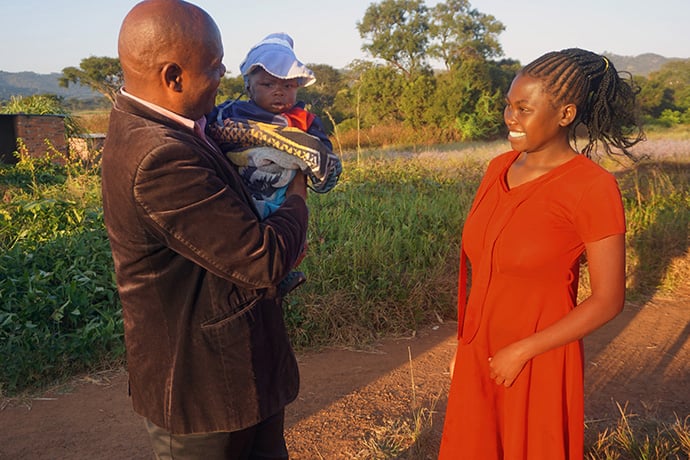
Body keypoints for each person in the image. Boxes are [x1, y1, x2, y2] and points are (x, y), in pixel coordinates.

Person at [100, 1, 308, 459]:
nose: (221, 80)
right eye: (213, 68)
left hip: (234, 374)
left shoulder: (167, 128)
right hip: (203, 390)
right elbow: (264, 258)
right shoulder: (158, 156)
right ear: (174, 77)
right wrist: (298, 184)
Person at [439, 48, 645, 459]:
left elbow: (609, 300)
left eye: (524, 108)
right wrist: (466, 348)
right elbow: (484, 271)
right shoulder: (497, 168)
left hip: (540, 356)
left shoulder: (592, 187)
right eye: (509, 105)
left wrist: (523, 351)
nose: (510, 118)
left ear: (566, 114)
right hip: (480, 350)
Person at [207, 32, 342, 295]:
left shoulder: (303, 120)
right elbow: (210, 129)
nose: (279, 91)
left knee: (284, 232)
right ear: (248, 86)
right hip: (242, 187)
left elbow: (323, 156)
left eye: (289, 86)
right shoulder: (232, 113)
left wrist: (311, 160)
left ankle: (281, 275)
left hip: (281, 190)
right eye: (268, 84)